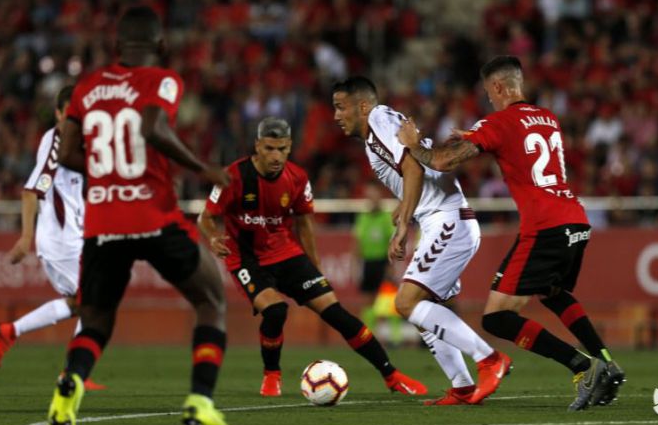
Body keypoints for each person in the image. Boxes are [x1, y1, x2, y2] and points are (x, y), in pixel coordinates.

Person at [49, 6, 242, 425]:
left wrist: (108, 178)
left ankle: (70, 386)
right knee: (210, 298)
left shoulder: (87, 87)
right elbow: (153, 127)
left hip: (102, 222)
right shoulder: (162, 79)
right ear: (159, 45)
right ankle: (200, 400)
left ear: (117, 47)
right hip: (153, 216)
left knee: (96, 321)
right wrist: (201, 167)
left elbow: (66, 155)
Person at [397, 55, 625, 411]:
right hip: (575, 220)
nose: (489, 99)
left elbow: (442, 161)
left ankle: (581, 366)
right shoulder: (548, 118)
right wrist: (477, 137)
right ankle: (608, 361)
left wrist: (413, 145)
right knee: (554, 293)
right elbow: (521, 151)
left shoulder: (500, 121)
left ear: (500, 87)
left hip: (544, 227)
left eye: (489, 92)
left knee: (497, 317)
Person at [198, 116, 427, 398]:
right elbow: (206, 217)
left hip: (286, 253)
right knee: (275, 310)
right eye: (269, 148)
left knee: (338, 315)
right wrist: (212, 237)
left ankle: (391, 376)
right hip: (247, 259)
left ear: (290, 147)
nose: (276, 156)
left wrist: (315, 267)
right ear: (257, 146)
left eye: (282, 149)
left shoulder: (297, 178)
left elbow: (305, 223)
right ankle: (272, 375)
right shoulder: (232, 176)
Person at [332, 77, 511, 406]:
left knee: (406, 303)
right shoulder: (379, 128)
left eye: (340, 107)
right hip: (440, 220)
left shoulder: (378, 120)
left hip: (448, 220)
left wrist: (402, 225)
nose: (335, 115)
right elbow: (413, 172)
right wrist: (404, 205)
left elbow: (412, 166)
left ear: (362, 106)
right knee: (421, 309)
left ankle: (489, 359)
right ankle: (462, 386)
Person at [0, 86, 105, 391]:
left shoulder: (84, 145)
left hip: (77, 239)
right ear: (58, 113)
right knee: (95, 302)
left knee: (81, 302)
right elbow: (31, 191)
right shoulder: (55, 141)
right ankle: (73, 372)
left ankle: (10, 330)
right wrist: (25, 236)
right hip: (62, 241)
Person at [353, 181, 394, 310]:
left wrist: (390, 265)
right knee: (367, 299)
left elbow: (391, 242)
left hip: (382, 262)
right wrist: (355, 265)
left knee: (385, 301)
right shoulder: (362, 218)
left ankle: (384, 328)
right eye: (369, 196)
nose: (372, 198)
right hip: (367, 262)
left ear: (380, 196)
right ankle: (369, 327)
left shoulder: (387, 217)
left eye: (374, 195)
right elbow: (357, 243)